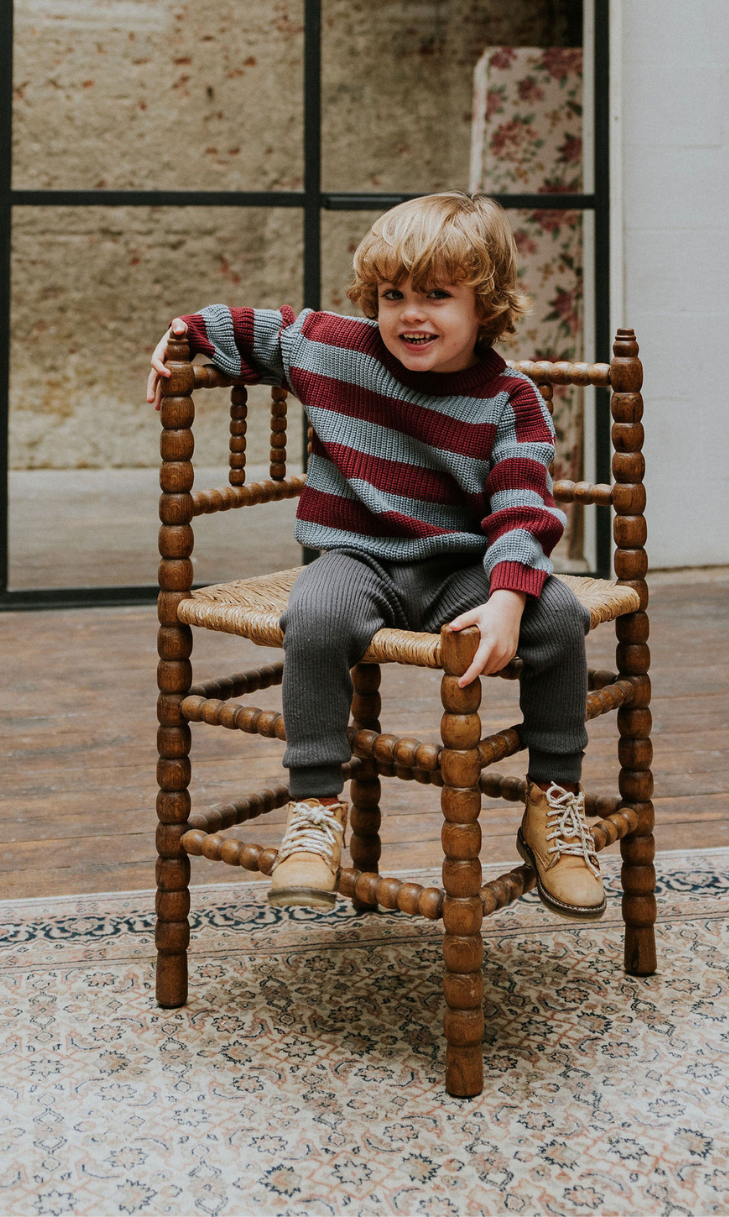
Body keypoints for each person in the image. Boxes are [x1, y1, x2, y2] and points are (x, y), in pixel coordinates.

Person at [147, 191, 604, 920]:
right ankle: (315, 810)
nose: (410, 314)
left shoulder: (510, 399)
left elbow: (524, 506)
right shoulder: (334, 347)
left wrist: (509, 597)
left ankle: (553, 802)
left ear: (484, 305)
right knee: (317, 613)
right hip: (357, 559)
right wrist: (184, 337)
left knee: (557, 617)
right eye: (393, 295)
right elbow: (250, 329)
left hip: (462, 570)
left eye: (436, 295)